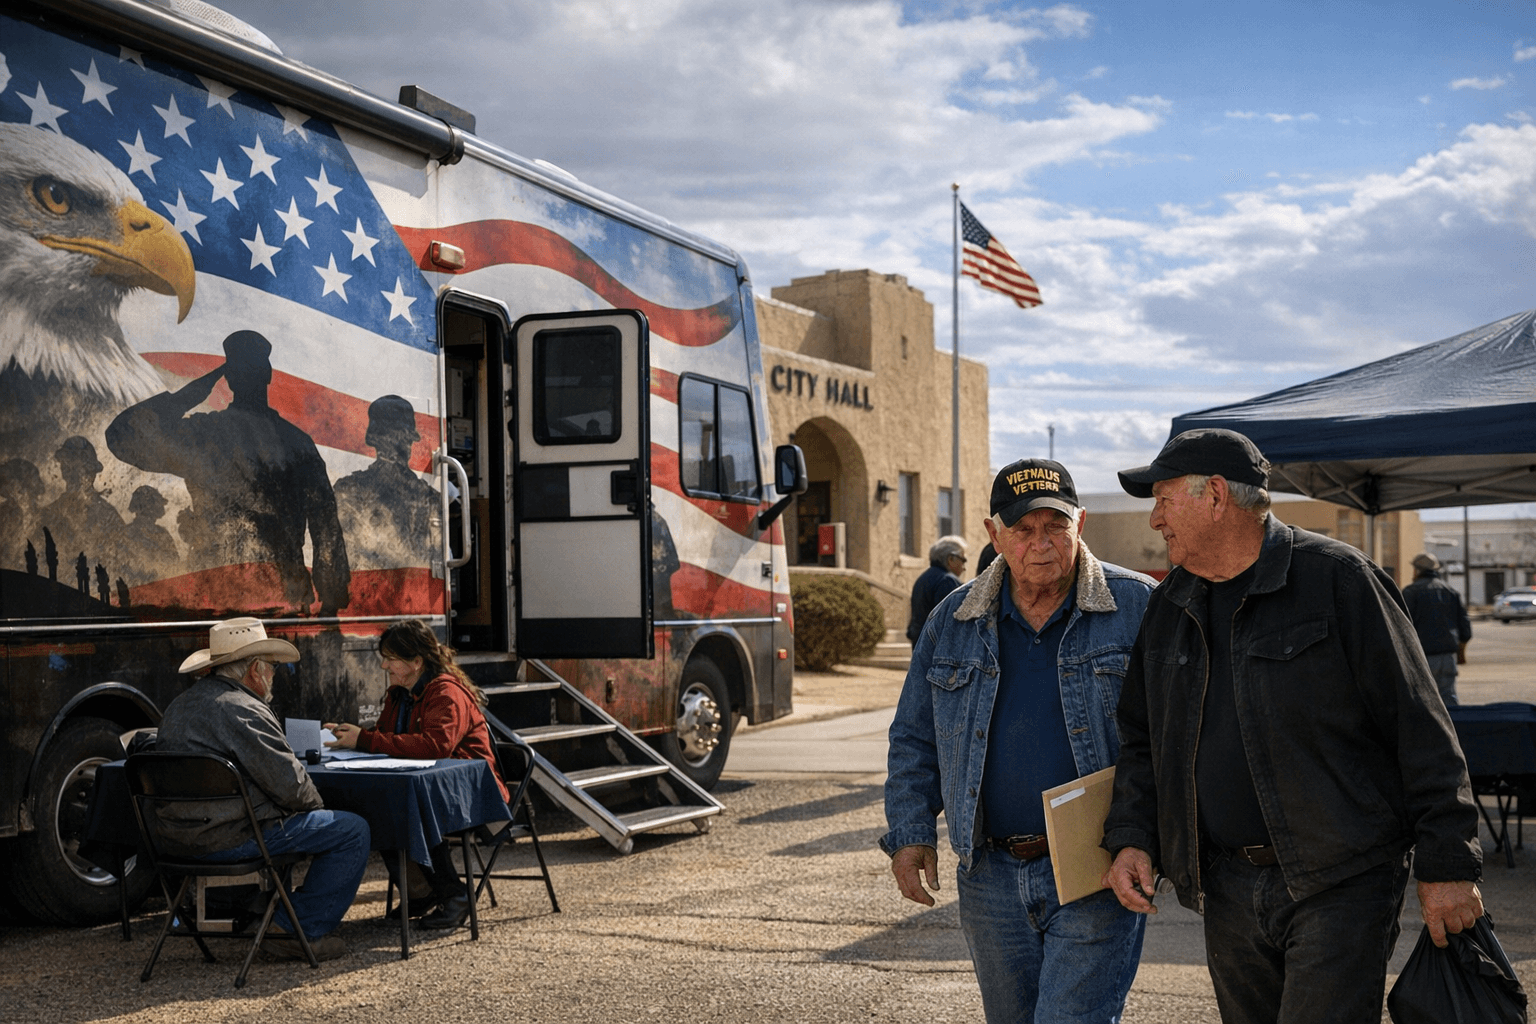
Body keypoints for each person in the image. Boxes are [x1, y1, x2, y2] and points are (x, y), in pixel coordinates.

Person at [1102, 428, 1483, 1024]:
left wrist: (1450, 863)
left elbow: (1421, 729)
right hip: (1226, 884)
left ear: (1217, 495)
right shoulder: (1171, 603)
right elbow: (1143, 738)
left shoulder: (1340, 580)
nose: (1154, 519)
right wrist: (1132, 834)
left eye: (1163, 498)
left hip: (1341, 879)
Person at [883, 458, 1155, 1022]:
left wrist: (1148, 838)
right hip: (989, 876)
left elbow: (1172, 738)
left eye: (1055, 526)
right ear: (994, 535)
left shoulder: (1137, 607)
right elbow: (914, 738)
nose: (1041, 544)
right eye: (1023, 529)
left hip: (1094, 868)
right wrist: (911, 833)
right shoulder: (951, 620)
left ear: (1081, 523)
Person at [156, 617, 370, 961]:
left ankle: (268, 909)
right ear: (255, 670)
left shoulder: (179, 706)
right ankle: (292, 927)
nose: (274, 675)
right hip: (229, 839)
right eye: (272, 667)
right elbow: (292, 788)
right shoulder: (244, 709)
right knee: (351, 831)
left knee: (285, 821)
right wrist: (316, 811)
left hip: (174, 841)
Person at [106, 330, 351, 614]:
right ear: (268, 373)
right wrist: (331, 600)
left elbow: (123, 435)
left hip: (223, 594)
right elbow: (326, 526)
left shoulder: (203, 436)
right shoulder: (295, 443)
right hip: (271, 595)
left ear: (229, 377)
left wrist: (191, 393)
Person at [326, 619, 508, 931]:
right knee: (375, 804)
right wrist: (352, 736)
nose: (384, 666)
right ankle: (421, 892)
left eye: (391, 658)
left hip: (475, 794)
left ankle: (455, 896)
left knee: (413, 808)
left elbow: (437, 746)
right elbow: (385, 735)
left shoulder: (446, 692)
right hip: (436, 789)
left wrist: (366, 740)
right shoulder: (398, 694)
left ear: (416, 662)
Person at [1402, 552, 1473, 706]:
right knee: (1449, 700)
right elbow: (1466, 629)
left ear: (1416, 570)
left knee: (1422, 703)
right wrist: (1460, 652)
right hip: (1447, 657)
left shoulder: (1410, 593)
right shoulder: (1451, 591)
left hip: (1421, 657)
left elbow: (1401, 627)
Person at [905, 535, 967, 644]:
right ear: (951, 559)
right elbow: (952, 622)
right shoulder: (947, 581)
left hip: (921, 646)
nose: (964, 567)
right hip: (936, 649)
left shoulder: (923, 578)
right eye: (963, 560)